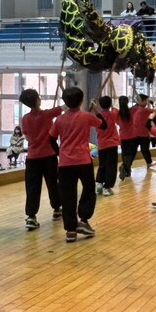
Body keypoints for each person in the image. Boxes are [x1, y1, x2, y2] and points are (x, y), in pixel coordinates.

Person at [49, 87, 105, 243]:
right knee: (88, 191)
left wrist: (60, 152)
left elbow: (51, 138)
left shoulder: (59, 119)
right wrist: (96, 110)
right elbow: (104, 125)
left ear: (65, 102)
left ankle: (71, 231)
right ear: (81, 101)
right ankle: (84, 219)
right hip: (83, 161)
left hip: (65, 163)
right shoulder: (86, 117)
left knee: (67, 196)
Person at [19, 89, 63, 230]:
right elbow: (66, 106)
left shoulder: (25, 118)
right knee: (53, 184)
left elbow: (26, 136)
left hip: (32, 157)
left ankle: (31, 217)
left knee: (32, 187)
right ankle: (57, 209)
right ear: (38, 100)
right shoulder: (47, 114)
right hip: (49, 156)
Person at [94, 96, 119, 197]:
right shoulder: (113, 114)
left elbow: (97, 129)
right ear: (110, 104)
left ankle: (99, 183)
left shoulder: (98, 116)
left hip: (102, 144)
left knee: (102, 164)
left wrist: (95, 108)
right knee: (111, 166)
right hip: (112, 144)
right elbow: (116, 108)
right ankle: (107, 187)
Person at [116, 95, 138, 180]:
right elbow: (139, 104)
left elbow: (117, 123)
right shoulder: (132, 110)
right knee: (132, 153)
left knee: (125, 154)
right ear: (127, 102)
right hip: (132, 135)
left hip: (122, 136)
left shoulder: (117, 114)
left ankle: (127, 171)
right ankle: (125, 167)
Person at [132, 94, 156, 170]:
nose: (147, 102)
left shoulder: (135, 109)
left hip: (134, 133)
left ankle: (127, 165)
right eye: (146, 100)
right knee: (145, 149)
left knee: (133, 150)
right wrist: (153, 103)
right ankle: (149, 162)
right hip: (143, 133)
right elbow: (155, 110)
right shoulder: (144, 110)